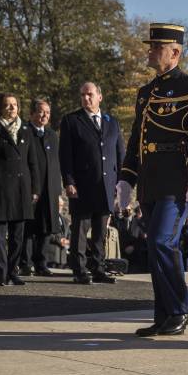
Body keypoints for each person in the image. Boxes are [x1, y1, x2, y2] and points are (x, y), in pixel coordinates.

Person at [116, 23, 188, 337]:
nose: (149, 51)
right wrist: (126, 178)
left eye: (156, 47)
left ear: (175, 53)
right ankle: (163, 314)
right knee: (155, 246)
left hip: (177, 183)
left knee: (164, 242)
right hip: (150, 181)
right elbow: (138, 138)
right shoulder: (146, 92)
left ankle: (180, 310)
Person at [59, 82, 124, 284]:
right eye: (83, 95)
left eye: (89, 94)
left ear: (99, 97)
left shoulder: (111, 122)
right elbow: (65, 155)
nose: (86, 98)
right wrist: (69, 181)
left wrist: (122, 182)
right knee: (80, 230)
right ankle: (79, 269)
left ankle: (98, 268)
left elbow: (119, 153)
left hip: (106, 186)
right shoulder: (71, 121)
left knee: (100, 232)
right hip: (82, 186)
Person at [0, 93, 40, 286]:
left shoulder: (27, 130)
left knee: (17, 236)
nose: (12, 108)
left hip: (21, 190)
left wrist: (35, 188)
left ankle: (13, 271)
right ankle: (1, 273)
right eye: (7, 105)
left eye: (14, 105)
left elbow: (33, 162)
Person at [19, 98, 62, 276]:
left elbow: (56, 164)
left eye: (47, 112)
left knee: (45, 229)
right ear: (31, 114)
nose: (44, 115)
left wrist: (58, 191)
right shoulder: (24, 132)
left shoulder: (52, 135)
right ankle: (24, 263)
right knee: (28, 228)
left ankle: (41, 263)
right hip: (30, 189)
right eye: (40, 111)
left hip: (49, 189)